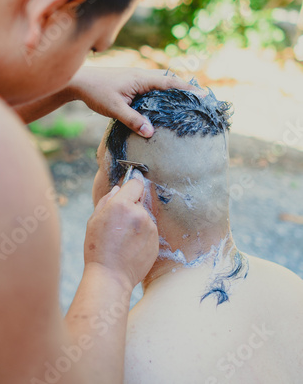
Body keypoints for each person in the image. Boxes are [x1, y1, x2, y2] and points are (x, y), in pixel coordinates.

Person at [0, 0, 203, 383]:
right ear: (51, 13)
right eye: (93, 47)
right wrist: (110, 276)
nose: (84, 66)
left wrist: (68, 80)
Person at [94, 82, 303, 384]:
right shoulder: (291, 287)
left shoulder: (128, 355)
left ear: (132, 189)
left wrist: (102, 271)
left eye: (99, 165)